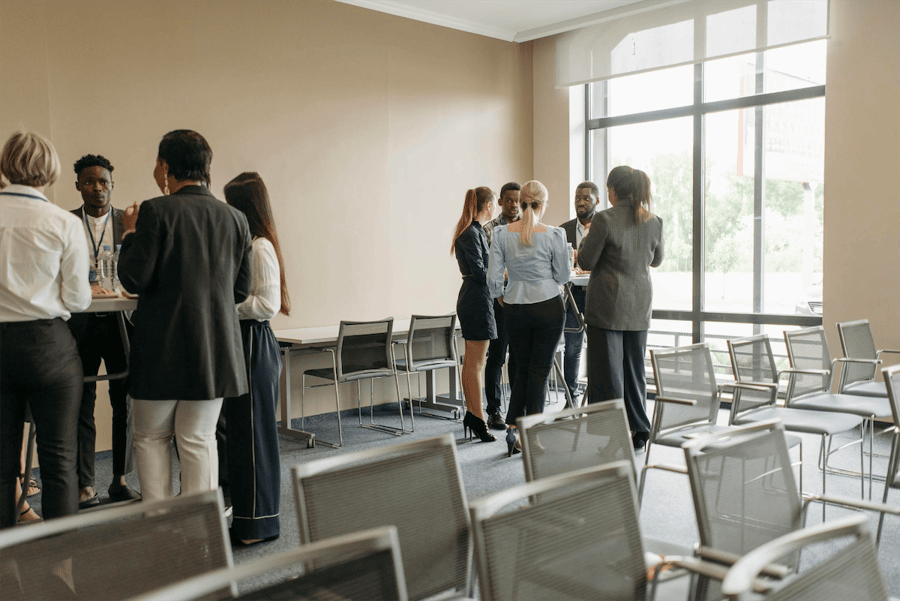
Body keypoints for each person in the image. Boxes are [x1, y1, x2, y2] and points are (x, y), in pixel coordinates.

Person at [117, 130, 252, 501]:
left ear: (164, 166)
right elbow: (240, 291)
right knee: (198, 439)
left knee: (151, 439)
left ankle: (159, 527)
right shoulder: (236, 218)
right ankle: (199, 533)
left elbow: (133, 277)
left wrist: (129, 234)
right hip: (214, 351)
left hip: (161, 348)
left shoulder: (155, 210)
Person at [0, 131, 92, 528]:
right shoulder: (63, 222)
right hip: (48, 347)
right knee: (59, 461)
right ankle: (61, 565)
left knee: (2, 463)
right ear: (51, 171)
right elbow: (77, 301)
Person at [67, 154, 140, 508]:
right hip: (78, 325)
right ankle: (85, 485)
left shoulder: (128, 224)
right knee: (82, 403)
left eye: (104, 182)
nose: (97, 188)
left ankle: (120, 479)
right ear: (78, 185)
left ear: (112, 184)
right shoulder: (64, 223)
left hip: (119, 325)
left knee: (123, 401)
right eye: (90, 181)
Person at [222, 172, 290, 546]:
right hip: (242, 342)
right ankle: (249, 521)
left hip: (254, 343)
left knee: (254, 438)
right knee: (243, 438)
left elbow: (267, 304)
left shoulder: (260, 246)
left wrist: (222, 307)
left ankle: (258, 525)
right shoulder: (246, 242)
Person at [577, 166, 664, 451]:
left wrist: (585, 241)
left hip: (607, 307)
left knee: (609, 374)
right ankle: (639, 429)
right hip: (639, 306)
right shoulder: (654, 221)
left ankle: (615, 436)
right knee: (634, 370)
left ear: (613, 191)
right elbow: (657, 260)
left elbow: (587, 262)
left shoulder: (604, 219)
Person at [488, 180, 568, 456]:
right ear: (543, 204)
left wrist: (502, 296)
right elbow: (564, 276)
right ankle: (531, 434)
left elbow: (493, 279)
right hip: (548, 306)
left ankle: (513, 429)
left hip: (515, 307)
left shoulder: (501, 234)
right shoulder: (554, 234)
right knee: (539, 372)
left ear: (520, 202)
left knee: (521, 369)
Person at [451, 187, 498, 443]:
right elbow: (481, 272)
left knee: (471, 362)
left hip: (475, 297)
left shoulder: (473, 231)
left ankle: (473, 414)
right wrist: (502, 275)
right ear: (488, 205)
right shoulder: (472, 232)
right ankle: (478, 417)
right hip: (477, 298)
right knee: (476, 363)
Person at [481, 182, 520, 429]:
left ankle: (516, 409)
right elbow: (491, 269)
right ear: (500, 202)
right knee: (497, 356)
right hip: (499, 301)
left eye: (517, 200)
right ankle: (493, 410)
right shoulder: (489, 230)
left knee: (517, 356)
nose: (513, 205)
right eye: (508, 200)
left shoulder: (528, 228)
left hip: (523, 301)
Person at [558, 181, 601, 406]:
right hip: (572, 296)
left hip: (598, 296)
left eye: (586, 198)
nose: (581, 202)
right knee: (572, 348)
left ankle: (596, 398)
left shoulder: (604, 227)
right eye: (577, 198)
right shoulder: (562, 230)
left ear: (597, 201)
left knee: (598, 349)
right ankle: (570, 397)